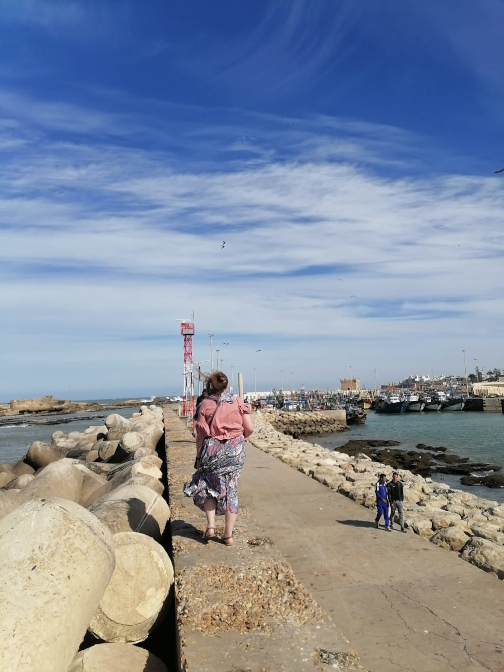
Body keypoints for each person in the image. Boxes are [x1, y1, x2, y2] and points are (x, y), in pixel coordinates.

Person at [183, 371, 254, 546]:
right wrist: (237, 438)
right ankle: (228, 536)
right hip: (235, 451)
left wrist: (199, 457)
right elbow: (250, 429)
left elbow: (200, 436)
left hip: (213, 451)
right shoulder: (237, 401)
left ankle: (211, 527)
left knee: (207, 485)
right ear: (227, 386)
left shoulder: (205, 405)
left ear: (209, 387)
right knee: (231, 490)